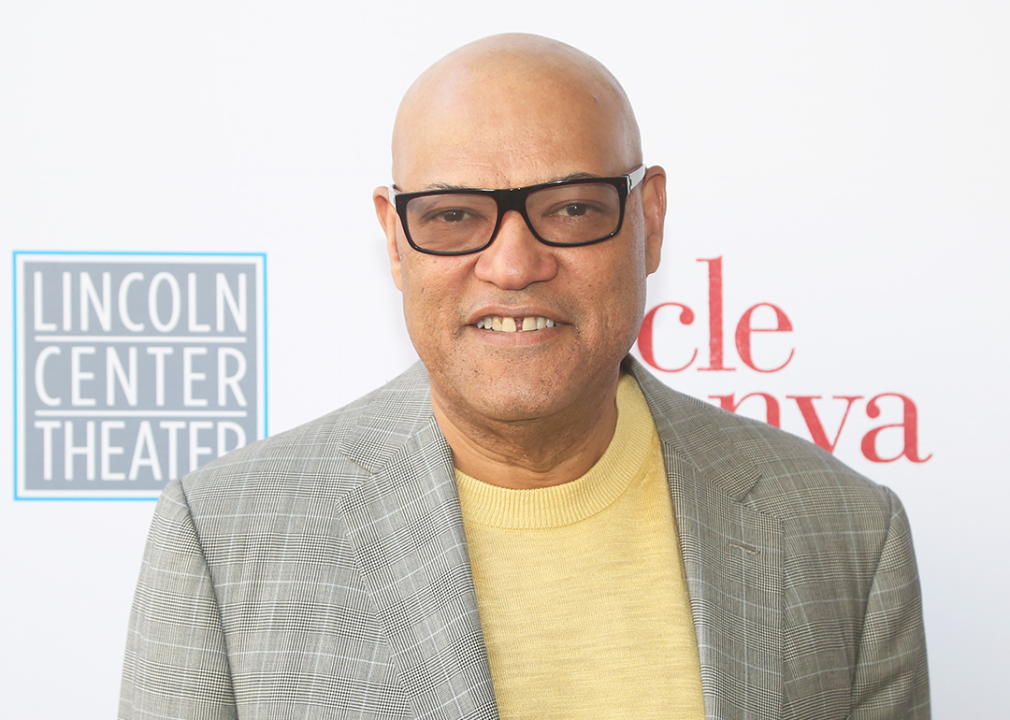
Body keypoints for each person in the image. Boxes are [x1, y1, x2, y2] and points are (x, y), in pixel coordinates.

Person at [120, 34, 929, 720]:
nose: (513, 264)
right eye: (453, 216)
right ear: (396, 242)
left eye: (571, 208)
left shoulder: (848, 534)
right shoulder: (225, 537)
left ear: (648, 219)